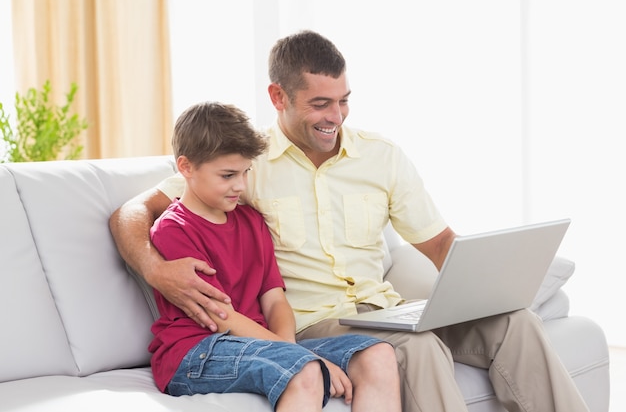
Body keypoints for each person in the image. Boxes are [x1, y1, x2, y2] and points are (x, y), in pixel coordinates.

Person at [110, 30, 590, 412]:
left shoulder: (381, 156)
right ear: (278, 96)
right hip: (321, 324)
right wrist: (155, 269)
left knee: (515, 321)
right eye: (320, 103)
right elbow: (131, 213)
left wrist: (486, 290)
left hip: (387, 311)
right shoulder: (245, 164)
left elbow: (441, 245)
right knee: (419, 350)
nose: (335, 116)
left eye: (343, 100)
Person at [146, 101, 401, 412]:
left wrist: (292, 348)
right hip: (196, 352)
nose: (239, 185)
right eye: (227, 175)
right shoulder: (173, 229)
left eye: (246, 172)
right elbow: (217, 314)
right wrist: (299, 356)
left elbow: (275, 299)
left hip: (260, 343)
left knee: (377, 355)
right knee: (305, 370)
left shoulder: (251, 220)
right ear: (186, 167)